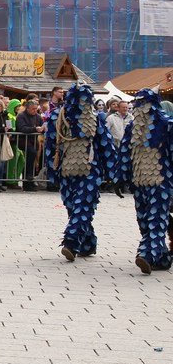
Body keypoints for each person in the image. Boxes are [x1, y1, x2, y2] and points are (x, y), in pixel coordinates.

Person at [45, 84, 116, 262]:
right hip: (66, 169)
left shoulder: (96, 118)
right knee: (72, 207)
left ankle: (71, 242)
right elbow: (51, 145)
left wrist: (115, 174)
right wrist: (52, 171)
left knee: (83, 205)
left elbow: (106, 145)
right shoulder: (57, 117)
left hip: (90, 169)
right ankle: (88, 243)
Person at [115, 89, 173, 274]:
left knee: (156, 219)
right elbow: (125, 152)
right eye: (137, 103)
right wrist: (120, 177)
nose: (140, 107)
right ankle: (162, 257)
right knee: (144, 220)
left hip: (161, 181)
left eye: (143, 102)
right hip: (139, 181)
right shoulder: (133, 127)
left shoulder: (166, 125)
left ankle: (146, 255)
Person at [15, 99, 46, 191]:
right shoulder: (21, 116)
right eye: (33, 109)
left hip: (34, 141)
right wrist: (35, 129)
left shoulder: (38, 117)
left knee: (34, 159)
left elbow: (42, 126)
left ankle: (30, 180)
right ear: (27, 108)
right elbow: (21, 128)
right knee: (31, 154)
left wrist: (43, 129)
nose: (35, 111)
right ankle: (27, 178)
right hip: (23, 140)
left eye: (36, 109)